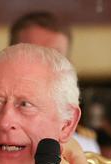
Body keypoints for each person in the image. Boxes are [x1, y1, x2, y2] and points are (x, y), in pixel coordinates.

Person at [9, 11, 100, 154]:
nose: (43, 67)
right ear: (8, 60)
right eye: (34, 56)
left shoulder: (85, 148)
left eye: (55, 58)